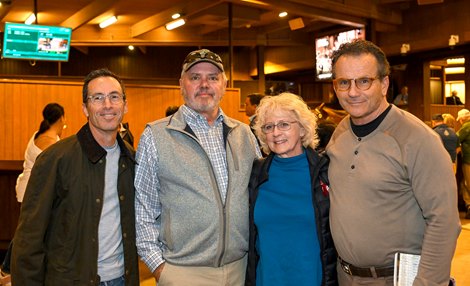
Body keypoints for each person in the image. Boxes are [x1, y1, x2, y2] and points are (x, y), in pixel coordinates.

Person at [326, 39, 460, 285]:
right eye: (344, 82)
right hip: (344, 276)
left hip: (398, 279)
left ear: (384, 83)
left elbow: (444, 221)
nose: (353, 92)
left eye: (364, 81)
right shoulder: (340, 132)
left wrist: (428, 282)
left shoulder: (418, 139)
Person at [135, 48, 261, 286]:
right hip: (183, 273)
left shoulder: (244, 135)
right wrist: (160, 269)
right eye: (195, 77)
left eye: (213, 77)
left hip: (240, 269)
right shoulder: (156, 135)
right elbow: (143, 208)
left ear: (224, 85)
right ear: (182, 85)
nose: (204, 84)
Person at [11, 68, 139, 285]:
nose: (107, 105)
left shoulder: (132, 159)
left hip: (121, 279)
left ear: (125, 105)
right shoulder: (55, 160)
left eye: (114, 97)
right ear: (85, 108)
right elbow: (28, 240)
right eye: (97, 98)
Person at [245, 92, 337, 286]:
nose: (276, 133)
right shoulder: (255, 174)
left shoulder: (327, 171)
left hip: (313, 279)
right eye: (269, 127)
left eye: (284, 124)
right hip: (267, 279)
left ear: (302, 129)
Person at [0, 103, 66, 281]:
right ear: (61, 119)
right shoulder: (50, 141)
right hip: (33, 191)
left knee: (28, 230)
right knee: (29, 232)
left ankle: (9, 268)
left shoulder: (39, 134)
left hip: (28, 188)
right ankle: (8, 268)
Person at [456, 108, 470, 219]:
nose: (459, 122)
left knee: (468, 183)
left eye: (460, 119)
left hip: (468, 160)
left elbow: (456, 138)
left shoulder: (466, 126)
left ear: (463, 119)